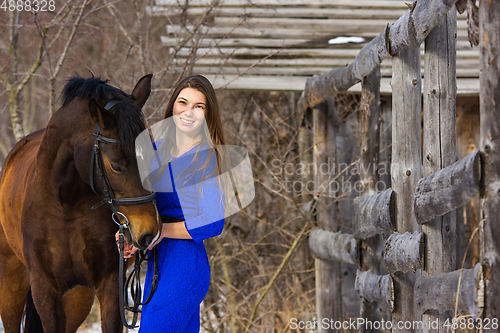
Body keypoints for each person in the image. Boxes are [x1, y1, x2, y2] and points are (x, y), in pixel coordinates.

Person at [120, 75, 226, 332]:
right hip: (159, 266)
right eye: (183, 103)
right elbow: (144, 204)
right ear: (173, 107)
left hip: (185, 267)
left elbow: (211, 224)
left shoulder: (203, 158)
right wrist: (133, 233)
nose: (188, 112)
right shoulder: (156, 151)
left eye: (198, 107)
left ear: (207, 114)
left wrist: (160, 231)